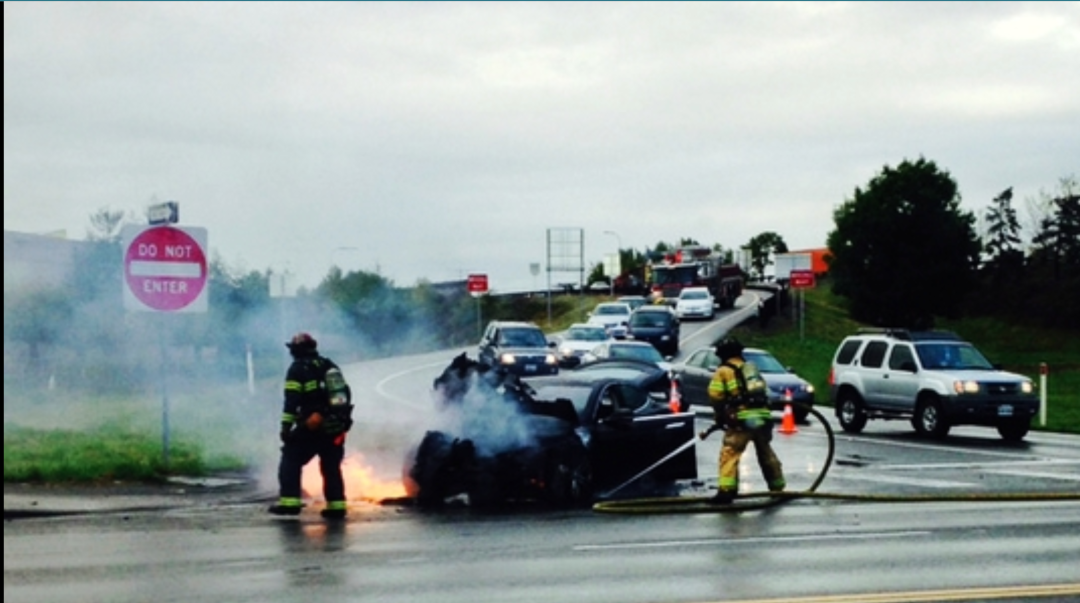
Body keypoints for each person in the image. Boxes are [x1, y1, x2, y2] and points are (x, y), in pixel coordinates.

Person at [268, 332, 354, 519]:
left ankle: (290, 503)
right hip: (335, 425)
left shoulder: (297, 369)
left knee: (290, 458)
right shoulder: (329, 365)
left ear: (296, 351)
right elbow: (344, 395)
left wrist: (285, 427)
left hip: (312, 426)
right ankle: (336, 506)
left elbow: (291, 401)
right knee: (331, 467)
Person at [706, 337, 785, 504]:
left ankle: (727, 491)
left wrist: (720, 416)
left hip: (742, 420)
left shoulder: (723, 371)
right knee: (765, 452)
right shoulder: (750, 369)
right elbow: (764, 391)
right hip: (762, 418)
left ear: (723, 355)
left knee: (730, 452)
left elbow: (715, 396)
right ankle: (777, 488)